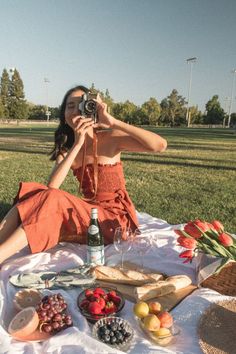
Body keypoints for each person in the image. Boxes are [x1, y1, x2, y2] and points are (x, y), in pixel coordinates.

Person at [0, 85, 167, 264]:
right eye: (70, 106)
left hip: (115, 220)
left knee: (51, 199)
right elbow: (52, 186)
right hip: (91, 214)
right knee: (33, 192)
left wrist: (113, 122)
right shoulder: (68, 150)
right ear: (64, 114)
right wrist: (78, 143)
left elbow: (160, 145)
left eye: (82, 105)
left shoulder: (110, 138)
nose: (75, 111)